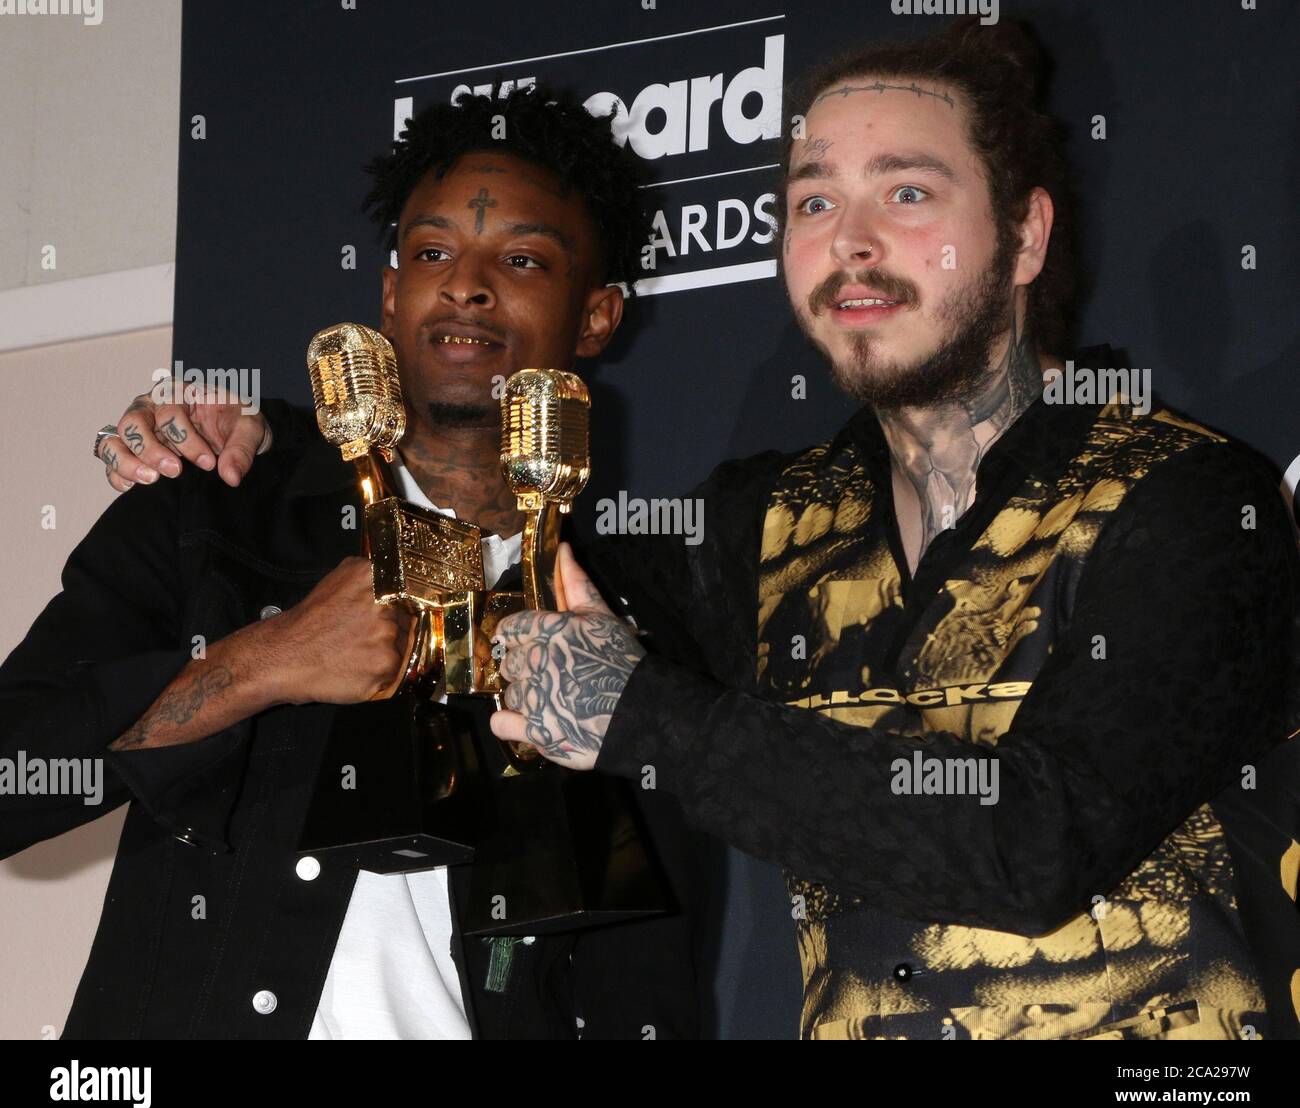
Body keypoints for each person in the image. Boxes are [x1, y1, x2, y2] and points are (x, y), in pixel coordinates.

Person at [486, 19, 1300, 1039]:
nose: (849, 242)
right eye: (813, 201)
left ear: (1026, 235)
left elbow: (1033, 843)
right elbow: (501, 571)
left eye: (906, 192)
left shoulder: (1186, 497)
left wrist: (646, 717)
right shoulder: (765, 521)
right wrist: (267, 455)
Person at [2, 81, 698, 1040]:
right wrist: (263, 662)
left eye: (523, 258)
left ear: (597, 319)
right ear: (388, 292)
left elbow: (647, 981)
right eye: (432, 253)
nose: (466, 284)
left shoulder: (634, 620)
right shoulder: (220, 513)